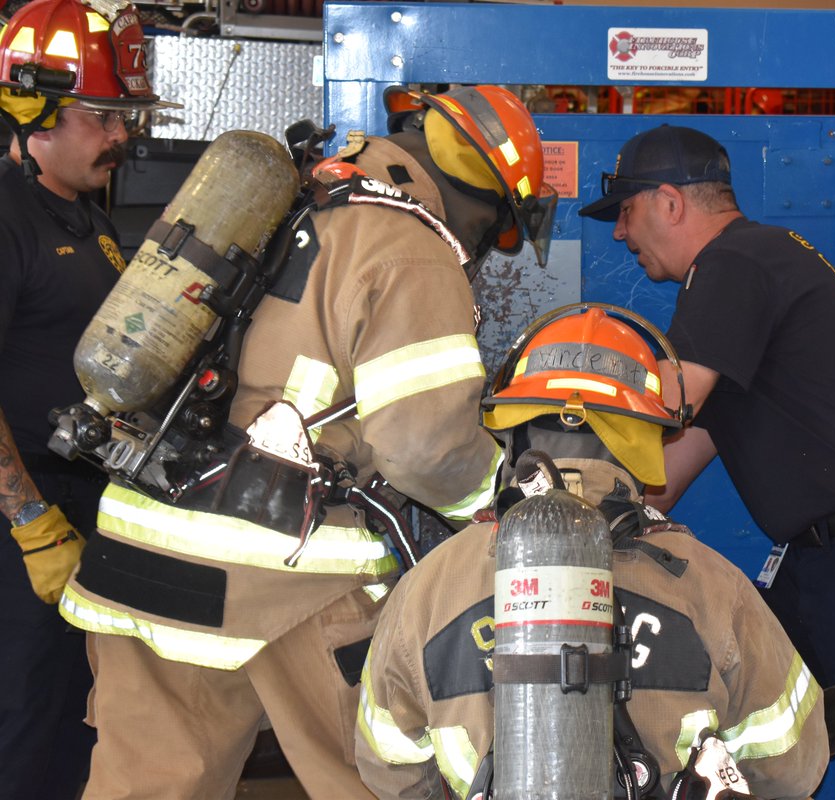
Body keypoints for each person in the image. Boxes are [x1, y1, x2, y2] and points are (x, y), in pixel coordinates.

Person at [59, 84, 556, 799]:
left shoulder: (295, 195)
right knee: (379, 775)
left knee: (143, 785)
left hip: (139, 555)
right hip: (288, 580)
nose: (483, 247)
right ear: (480, 194)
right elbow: (425, 448)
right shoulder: (410, 247)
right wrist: (512, 500)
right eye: (496, 229)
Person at [579, 124, 835, 800]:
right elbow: (663, 478)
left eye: (625, 211)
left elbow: (669, 401)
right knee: (765, 744)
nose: (620, 234)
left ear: (669, 202)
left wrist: (559, 406)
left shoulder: (737, 262)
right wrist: (572, 517)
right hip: (830, 561)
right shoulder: (743, 292)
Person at [355, 304, 829, 800]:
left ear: (514, 430)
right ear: (647, 437)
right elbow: (794, 764)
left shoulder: (427, 590)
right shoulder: (713, 586)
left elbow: (389, 766)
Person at [0, 1, 176, 797]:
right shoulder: (6, 217)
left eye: (125, 116)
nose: (120, 136)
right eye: (104, 115)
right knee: (23, 732)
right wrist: (29, 522)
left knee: (73, 729)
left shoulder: (83, 218)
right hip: (21, 527)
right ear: (32, 108)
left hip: (82, 511)